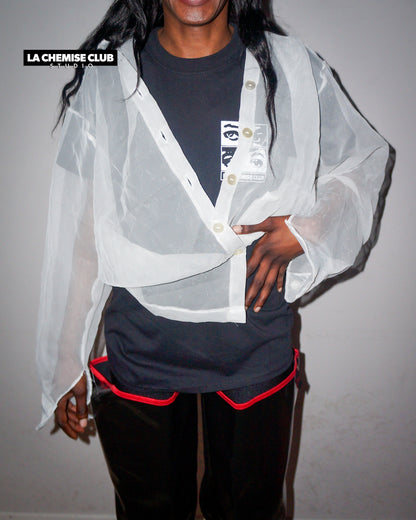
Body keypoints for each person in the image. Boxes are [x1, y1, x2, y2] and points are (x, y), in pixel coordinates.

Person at [36, 1, 389, 518]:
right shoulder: (109, 78)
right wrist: (66, 356)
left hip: (254, 343)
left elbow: (360, 163)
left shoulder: (291, 68)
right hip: (143, 346)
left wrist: (306, 231)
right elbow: (85, 226)